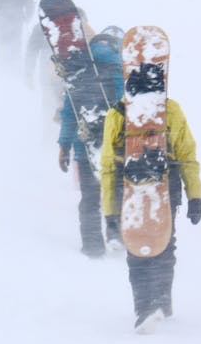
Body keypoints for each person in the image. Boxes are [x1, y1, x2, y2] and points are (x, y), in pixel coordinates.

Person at [100, 70, 201, 332]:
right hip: (167, 185)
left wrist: (110, 212)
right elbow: (187, 154)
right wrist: (195, 196)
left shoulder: (117, 114)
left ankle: (145, 307)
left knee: (137, 245)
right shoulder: (171, 110)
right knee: (165, 242)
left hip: (129, 186)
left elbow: (109, 165)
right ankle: (162, 303)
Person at [57, 30, 124, 258]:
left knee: (90, 197)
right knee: (118, 192)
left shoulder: (78, 74)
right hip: (117, 146)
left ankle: (93, 246)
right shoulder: (122, 72)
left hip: (84, 146)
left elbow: (68, 114)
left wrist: (64, 146)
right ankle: (117, 234)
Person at [25, 8, 97, 122]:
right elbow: (93, 44)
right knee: (72, 107)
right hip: (75, 74)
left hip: (51, 75)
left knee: (50, 107)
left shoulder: (41, 27)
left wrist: (28, 74)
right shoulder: (77, 20)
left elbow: (31, 52)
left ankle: (50, 135)